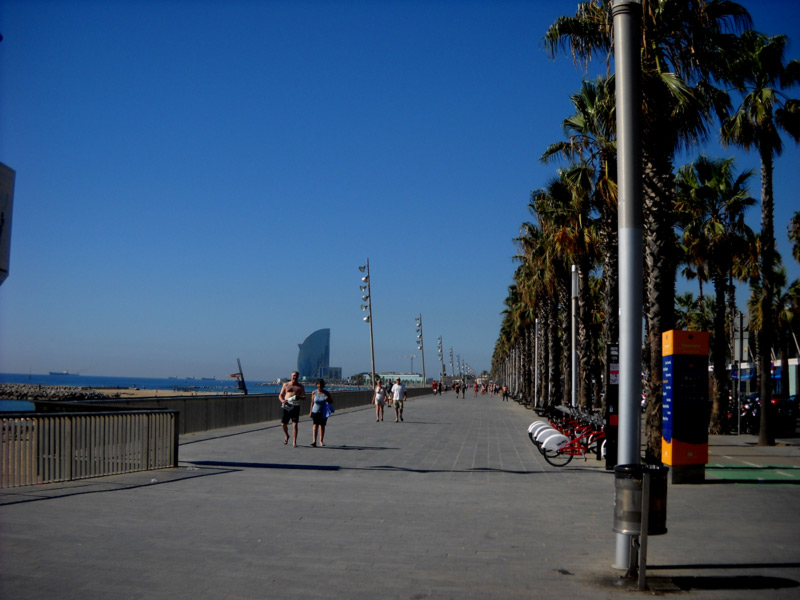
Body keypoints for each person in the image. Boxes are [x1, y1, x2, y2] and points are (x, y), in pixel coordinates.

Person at [279, 371, 305, 446]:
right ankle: (287, 435)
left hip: (295, 406)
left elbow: (304, 397)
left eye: (296, 376)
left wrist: (299, 397)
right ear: (291, 376)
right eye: (293, 375)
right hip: (286, 405)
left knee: (295, 424)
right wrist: (282, 400)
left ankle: (294, 441)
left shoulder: (300, 386)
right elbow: (280, 395)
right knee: (283, 424)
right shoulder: (286, 384)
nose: (295, 377)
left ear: (298, 377)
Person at [309, 379, 332, 447]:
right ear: (316, 385)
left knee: (322, 426)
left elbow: (331, 401)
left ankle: (321, 441)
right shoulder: (314, 392)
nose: (319, 385)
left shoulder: (326, 393)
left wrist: (327, 399)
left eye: (321, 384)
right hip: (315, 411)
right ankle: (314, 441)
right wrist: (310, 411)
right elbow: (312, 402)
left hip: (323, 411)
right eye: (318, 384)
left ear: (323, 385)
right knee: (315, 425)